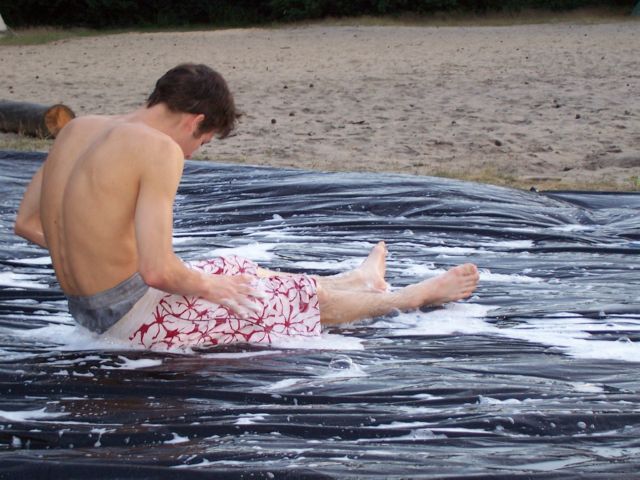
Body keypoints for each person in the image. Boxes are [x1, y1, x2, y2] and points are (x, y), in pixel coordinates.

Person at [14, 63, 479, 350]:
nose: (194, 153)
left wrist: (95, 253)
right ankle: (412, 297)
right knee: (271, 299)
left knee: (236, 267)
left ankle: (357, 281)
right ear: (196, 122)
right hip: (134, 320)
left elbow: (27, 224)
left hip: (87, 310)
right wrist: (206, 287)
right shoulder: (159, 149)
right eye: (204, 142)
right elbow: (158, 271)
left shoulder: (80, 129)